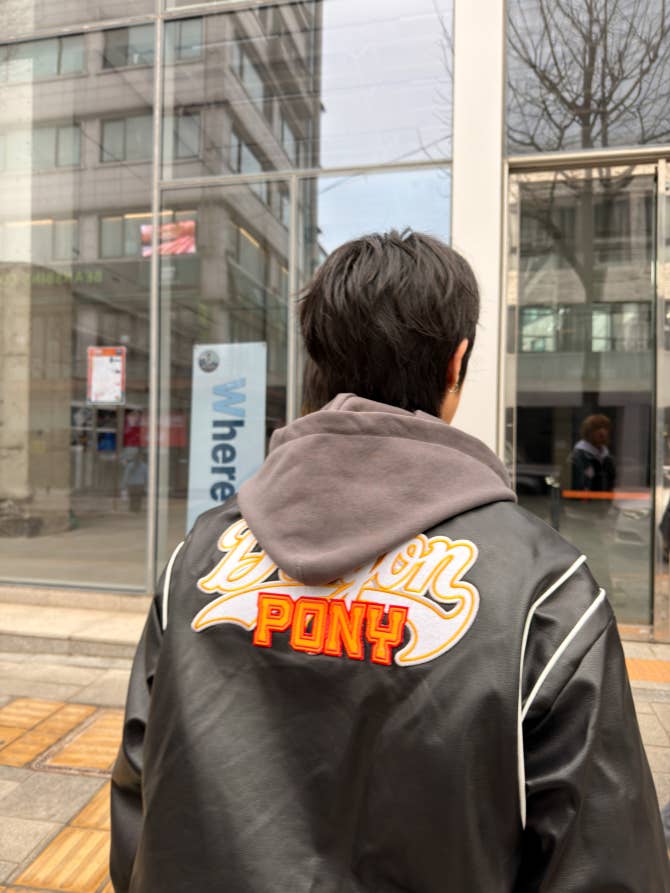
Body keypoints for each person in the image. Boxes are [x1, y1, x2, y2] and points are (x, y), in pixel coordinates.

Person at [110, 230, 669, 892]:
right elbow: (606, 862)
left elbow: (139, 794)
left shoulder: (198, 556)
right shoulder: (546, 592)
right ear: (456, 362)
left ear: (318, 363)